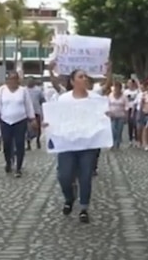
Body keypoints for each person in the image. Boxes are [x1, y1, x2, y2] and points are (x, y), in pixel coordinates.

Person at [44, 69, 104, 224]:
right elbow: (56, 116)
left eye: (85, 76)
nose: (84, 79)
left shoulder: (95, 98)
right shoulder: (63, 99)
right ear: (72, 81)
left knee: (85, 176)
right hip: (67, 143)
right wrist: (48, 123)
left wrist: (106, 116)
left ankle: (84, 207)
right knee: (64, 175)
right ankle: (69, 197)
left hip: (88, 144)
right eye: (80, 76)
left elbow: (102, 114)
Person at [0, 72, 36, 177]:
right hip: (5, 120)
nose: (13, 81)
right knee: (7, 143)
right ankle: (8, 163)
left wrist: (32, 119)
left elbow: (28, 105)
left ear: (18, 80)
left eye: (15, 79)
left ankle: (18, 167)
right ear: (7, 80)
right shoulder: (2, 90)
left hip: (20, 121)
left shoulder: (23, 91)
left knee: (19, 144)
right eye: (10, 79)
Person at [25, 78, 45, 150]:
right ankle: (28, 143)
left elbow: (42, 99)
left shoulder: (38, 90)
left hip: (36, 111)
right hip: (26, 112)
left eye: (31, 81)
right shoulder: (24, 90)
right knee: (27, 129)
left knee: (37, 127)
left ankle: (37, 140)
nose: (29, 82)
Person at [107, 80, 127, 149]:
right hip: (112, 116)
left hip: (121, 116)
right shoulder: (110, 95)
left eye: (118, 87)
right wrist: (108, 113)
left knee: (119, 130)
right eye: (115, 87)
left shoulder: (124, 97)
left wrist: (126, 116)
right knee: (113, 130)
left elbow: (126, 107)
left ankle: (117, 143)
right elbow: (107, 105)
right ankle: (112, 143)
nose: (116, 89)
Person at [124, 79, 140, 147]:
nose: (129, 84)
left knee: (135, 125)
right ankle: (130, 140)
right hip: (128, 109)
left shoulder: (137, 92)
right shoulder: (125, 92)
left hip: (136, 109)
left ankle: (137, 139)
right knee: (129, 125)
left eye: (130, 83)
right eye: (128, 83)